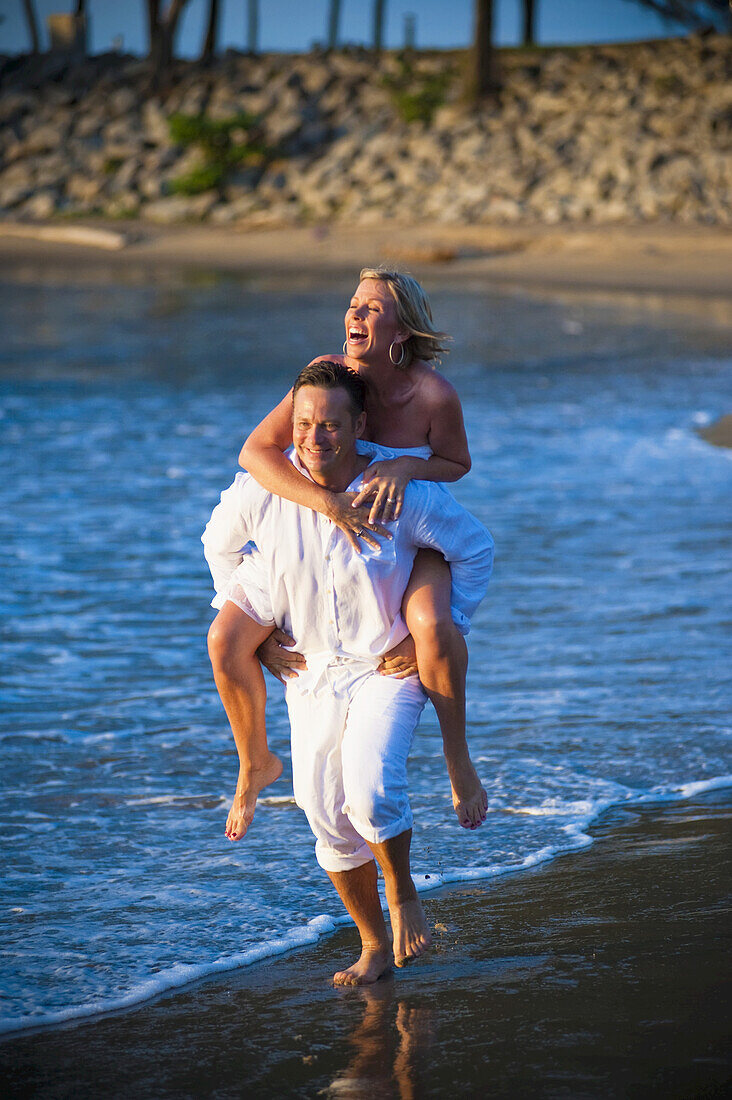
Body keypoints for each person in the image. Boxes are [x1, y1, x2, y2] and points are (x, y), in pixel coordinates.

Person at [202, 361, 493, 984]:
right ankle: (372, 947)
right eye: (304, 423)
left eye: (330, 424)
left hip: (384, 668)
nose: (314, 436)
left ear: (360, 425)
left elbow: (475, 549)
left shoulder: (398, 493)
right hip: (309, 671)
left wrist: (438, 632)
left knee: (370, 789)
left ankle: (403, 893)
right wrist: (259, 638)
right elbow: (217, 545)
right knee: (320, 809)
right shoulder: (265, 488)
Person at [208, 267, 488, 845]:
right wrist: (325, 504)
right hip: (327, 518)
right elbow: (257, 451)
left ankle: (458, 759)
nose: (354, 317)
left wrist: (406, 465)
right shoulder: (328, 376)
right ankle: (254, 761)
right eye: (353, 305)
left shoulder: (431, 394)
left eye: (371, 309)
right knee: (226, 640)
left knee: (434, 627)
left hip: (407, 523)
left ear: (402, 329)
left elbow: (457, 465)